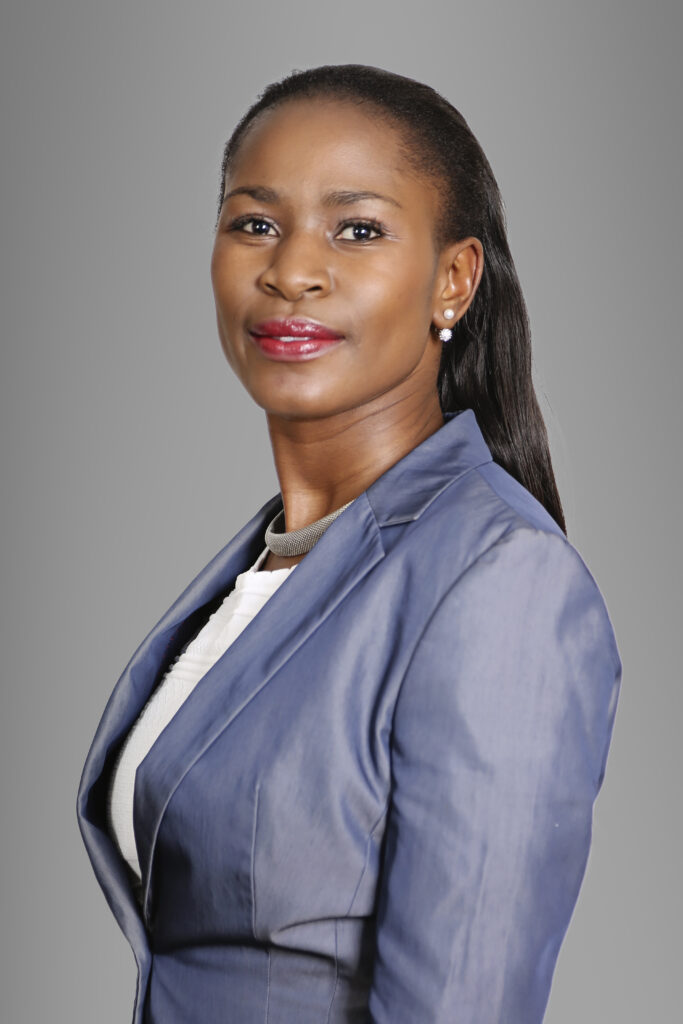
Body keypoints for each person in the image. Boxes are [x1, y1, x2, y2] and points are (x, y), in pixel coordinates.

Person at [77, 64, 622, 1024]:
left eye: (357, 229)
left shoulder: (500, 582)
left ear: (453, 280)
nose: (291, 269)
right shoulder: (264, 567)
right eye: (255, 223)